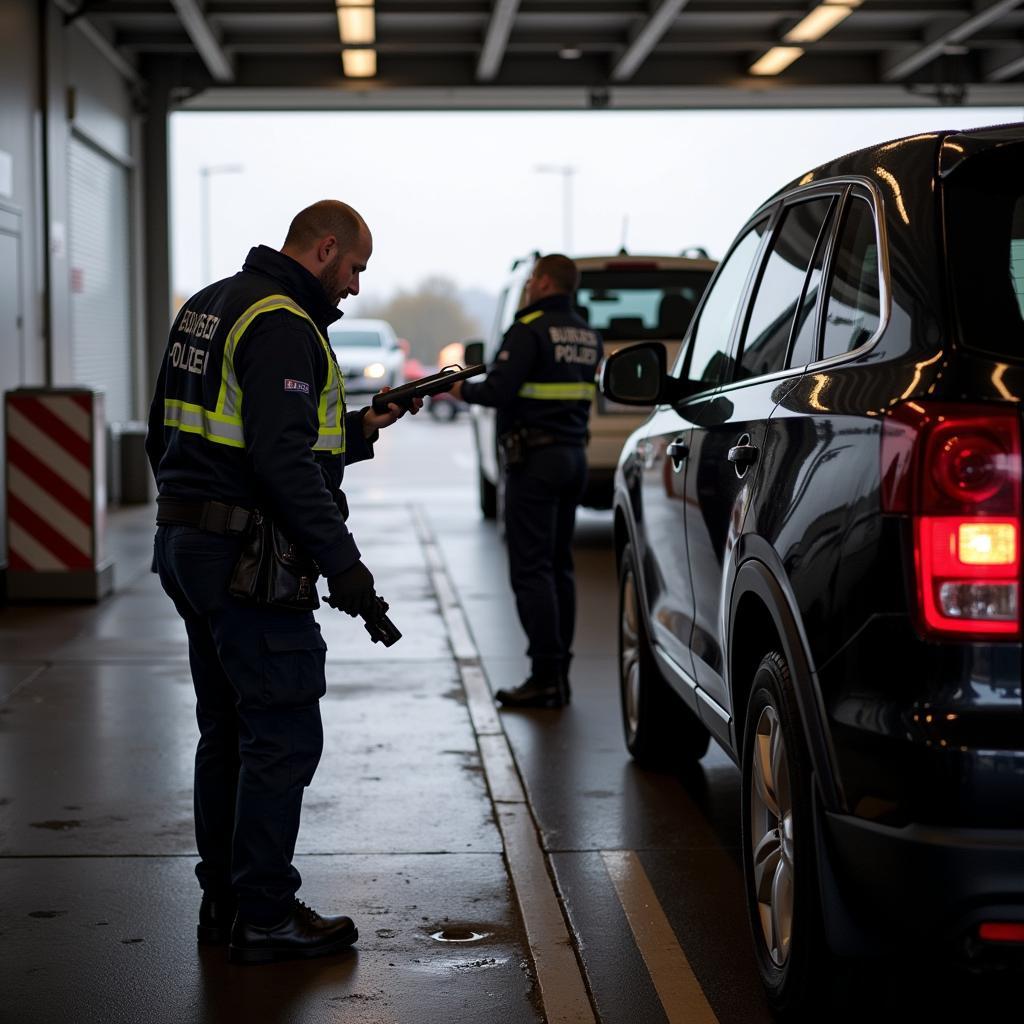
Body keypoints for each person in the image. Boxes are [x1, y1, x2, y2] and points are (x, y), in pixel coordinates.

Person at [145, 200, 419, 965]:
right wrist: (347, 569)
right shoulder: (283, 325)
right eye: (355, 268)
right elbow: (282, 465)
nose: (356, 288)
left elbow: (170, 429)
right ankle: (265, 914)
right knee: (282, 730)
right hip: (245, 563)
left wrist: (360, 430)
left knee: (227, 729)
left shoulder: (211, 304)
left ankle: (224, 901)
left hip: (191, 544)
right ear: (325, 248)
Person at [452, 254, 603, 709]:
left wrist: (460, 388)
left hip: (534, 462)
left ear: (540, 282)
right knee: (559, 566)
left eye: (533, 280)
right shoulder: (586, 334)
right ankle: (559, 673)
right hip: (574, 457)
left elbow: (497, 391)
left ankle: (544, 675)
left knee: (531, 570)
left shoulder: (529, 329)